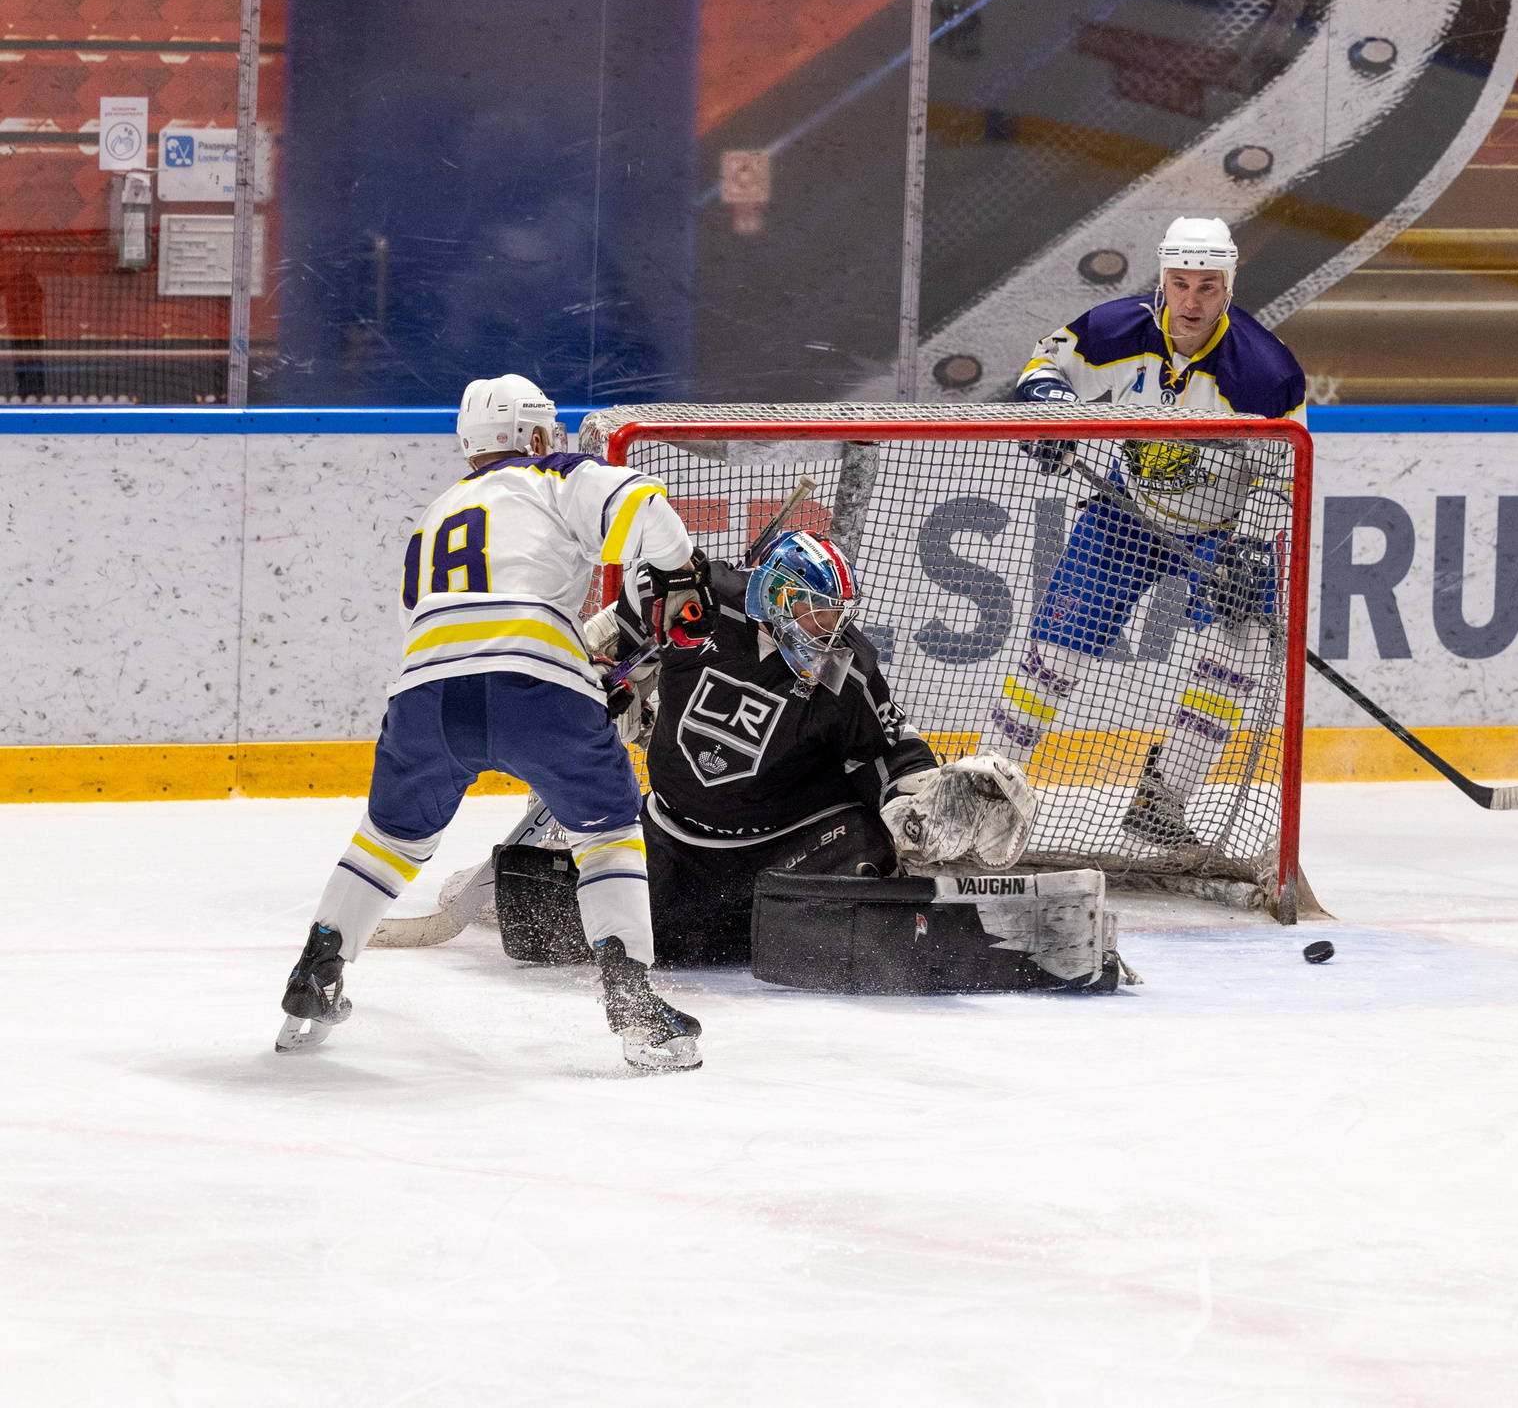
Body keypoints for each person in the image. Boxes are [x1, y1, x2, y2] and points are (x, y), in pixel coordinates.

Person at [275, 373, 715, 1070]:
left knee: (390, 838)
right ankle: (634, 1002)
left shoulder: (433, 515)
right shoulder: (554, 475)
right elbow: (644, 503)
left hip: (424, 696)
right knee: (607, 831)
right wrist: (683, 573)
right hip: (534, 687)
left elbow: (449, 630)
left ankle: (316, 969)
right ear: (534, 436)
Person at [990, 216, 1306, 858]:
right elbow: (1044, 365)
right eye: (1180, 284)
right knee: (1054, 655)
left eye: (1207, 287)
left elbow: (1284, 479)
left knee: (1243, 647)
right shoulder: (1118, 329)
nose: (1191, 301)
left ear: (1229, 286)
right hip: (1125, 514)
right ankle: (985, 796)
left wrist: (1249, 551)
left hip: (1220, 531)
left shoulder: (1265, 373)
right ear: (1163, 279)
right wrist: (1054, 417)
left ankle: (1161, 804)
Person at [598, 532, 1038, 965]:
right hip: (674, 837)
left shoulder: (845, 669)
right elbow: (629, 609)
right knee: (607, 928)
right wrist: (602, 669)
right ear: (779, 596)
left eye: (839, 614)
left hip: (786, 851)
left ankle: (908, 931)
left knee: (864, 844)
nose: (832, 630)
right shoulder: (706, 602)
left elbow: (885, 751)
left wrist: (926, 799)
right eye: (819, 613)